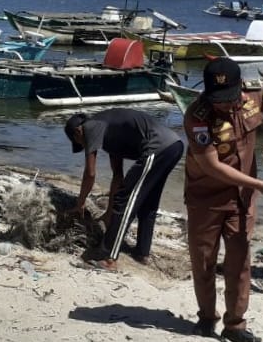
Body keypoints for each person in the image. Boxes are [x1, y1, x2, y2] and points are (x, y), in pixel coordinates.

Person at [183, 57, 263, 342]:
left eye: (229, 98)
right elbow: (212, 167)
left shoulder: (254, 93)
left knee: (240, 261)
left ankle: (235, 325)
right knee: (204, 261)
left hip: (242, 199)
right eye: (218, 100)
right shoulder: (197, 116)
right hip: (205, 198)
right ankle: (206, 317)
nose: (224, 106)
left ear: (240, 87)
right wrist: (260, 185)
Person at [64, 109, 184, 269]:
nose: (83, 146)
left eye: (78, 142)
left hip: (158, 147)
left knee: (125, 201)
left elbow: (90, 174)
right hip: (173, 146)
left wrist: (80, 203)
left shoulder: (90, 127)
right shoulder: (110, 135)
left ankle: (109, 258)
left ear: (78, 131)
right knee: (147, 204)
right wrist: (108, 213)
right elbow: (118, 176)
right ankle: (142, 253)